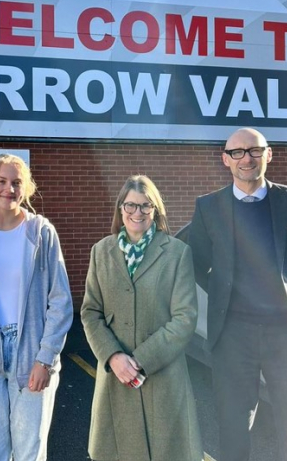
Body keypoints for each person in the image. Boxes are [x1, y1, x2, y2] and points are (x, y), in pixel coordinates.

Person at [189, 128, 287, 461]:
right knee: (233, 425)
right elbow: (197, 264)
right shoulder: (208, 207)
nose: (246, 158)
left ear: (269, 154)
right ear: (225, 160)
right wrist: (227, 297)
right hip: (233, 335)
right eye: (237, 152)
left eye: (254, 150)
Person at [0, 153, 73, 461]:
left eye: (17, 183)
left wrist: (45, 359)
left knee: (30, 453)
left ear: (26, 189)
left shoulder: (42, 233)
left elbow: (60, 301)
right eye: (1, 181)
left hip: (32, 354)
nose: (9, 189)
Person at [81, 175, 202, 461]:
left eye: (146, 206)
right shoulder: (101, 252)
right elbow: (90, 312)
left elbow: (185, 317)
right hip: (115, 377)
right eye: (131, 205)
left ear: (156, 210)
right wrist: (113, 357)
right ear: (120, 208)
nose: (137, 213)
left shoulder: (176, 253)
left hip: (162, 377)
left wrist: (141, 361)